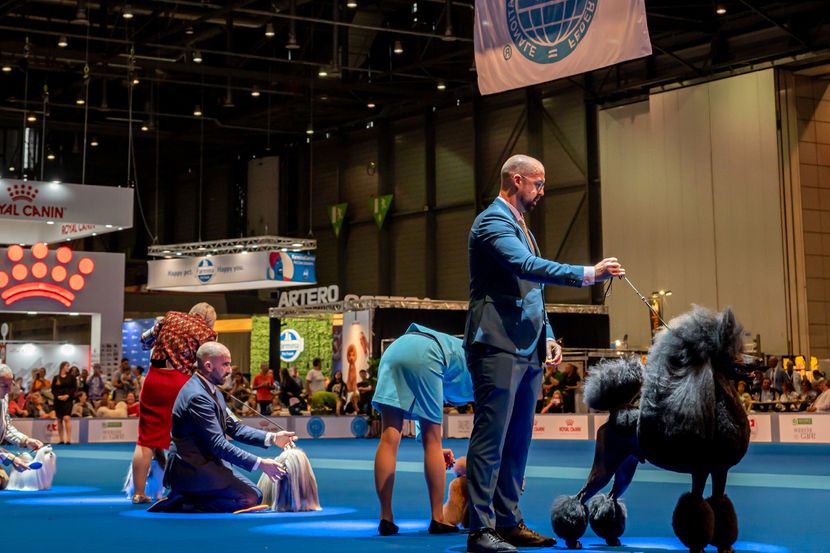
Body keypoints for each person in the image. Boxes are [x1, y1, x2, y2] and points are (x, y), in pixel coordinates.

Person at [464, 154, 625, 553]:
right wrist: (589, 274)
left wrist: (548, 335)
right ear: (517, 180)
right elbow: (525, 266)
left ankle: (508, 521)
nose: (541, 191)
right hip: (497, 345)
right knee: (491, 440)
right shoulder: (491, 222)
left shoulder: (522, 227)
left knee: (517, 443)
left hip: (526, 348)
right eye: (538, 184)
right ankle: (480, 530)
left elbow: (532, 290)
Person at [149, 342, 295, 513]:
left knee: (254, 495)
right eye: (225, 364)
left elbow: (235, 428)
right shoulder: (197, 396)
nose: (230, 370)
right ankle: (184, 502)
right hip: (191, 468)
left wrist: (273, 438)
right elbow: (218, 444)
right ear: (208, 366)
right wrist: (261, 463)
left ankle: (188, 496)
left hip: (206, 462)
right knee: (250, 498)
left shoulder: (213, 391)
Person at [372, 323, 474, 536]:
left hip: (394, 350)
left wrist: (433, 447)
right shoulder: (481, 369)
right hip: (429, 353)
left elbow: (426, 395)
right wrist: (433, 446)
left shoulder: (462, 351)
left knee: (389, 437)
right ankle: (438, 518)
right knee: (432, 442)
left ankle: (385, 517)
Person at [129, 302, 217, 505]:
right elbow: (207, 367)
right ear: (209, 320)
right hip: (180, 383)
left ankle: (139, 493)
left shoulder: (168, 318)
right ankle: (184, 490)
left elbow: (144, 341)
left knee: (145, 441)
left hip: (154, 378)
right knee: (185, 438)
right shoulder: (208, 334)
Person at [0, 364, 44, 476]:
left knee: (3, 480)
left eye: (11, 384)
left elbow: (6, 426)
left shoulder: (3, 397)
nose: (9, 390)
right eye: (4, 386)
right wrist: (11, 458)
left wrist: (26, 440)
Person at [52, 361, 77, 445]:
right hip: (58, 400)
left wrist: (67, 395)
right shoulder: (56, 377)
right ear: (62, 367)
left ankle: (68, 439)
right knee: (59, 419)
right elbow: (53, 389)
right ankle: (61, 439)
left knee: (67, 418)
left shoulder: (72, 377)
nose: (68, 368)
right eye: (67, 366)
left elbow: (74, 388)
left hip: (68, 400)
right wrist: (58, 396)